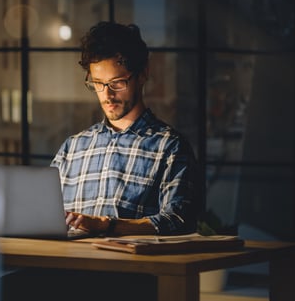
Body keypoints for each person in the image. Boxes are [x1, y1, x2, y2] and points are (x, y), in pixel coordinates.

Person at [51, 21, 203, 237]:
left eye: (117, 83)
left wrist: (107, 225)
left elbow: (178, 221)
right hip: (67, 265)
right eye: (98, 83)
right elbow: (44, 216)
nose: (107, 95)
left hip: (129, 268)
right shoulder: (72, 148)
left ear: (142, 74)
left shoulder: (169, 147)